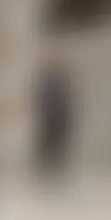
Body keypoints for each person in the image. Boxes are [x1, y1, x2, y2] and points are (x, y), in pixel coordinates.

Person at [34, 49, 76, 181]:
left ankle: (55, 172)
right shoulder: (46, 82)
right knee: (47, 144)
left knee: (57, 145)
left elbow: (66, 103)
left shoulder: (59, 83)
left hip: (58, 119)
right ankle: (46, 172)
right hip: (49, 119)